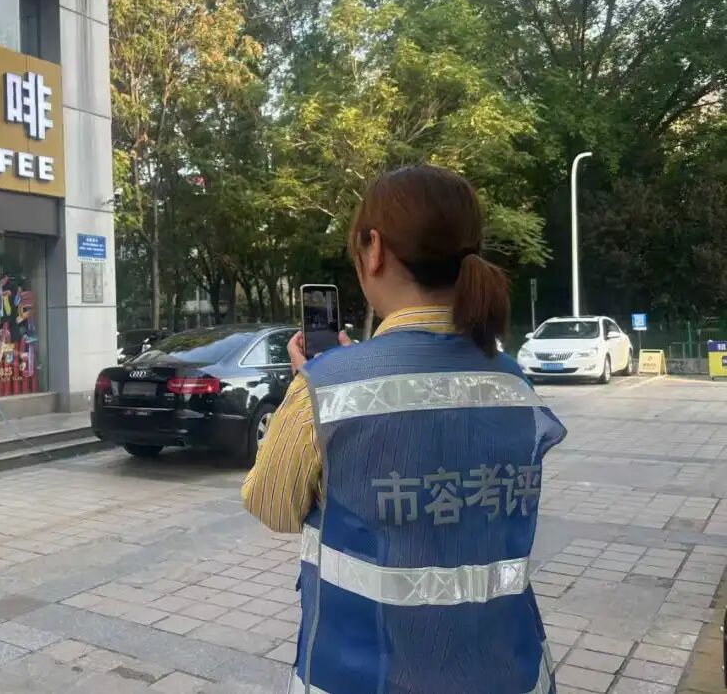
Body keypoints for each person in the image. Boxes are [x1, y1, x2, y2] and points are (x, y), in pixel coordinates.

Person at [242, 165, 565, 694]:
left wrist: (314, 384)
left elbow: (271, 506)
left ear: (374, 250)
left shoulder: (325, 389)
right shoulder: (512, 381)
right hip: (510, 671)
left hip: (361, 676)